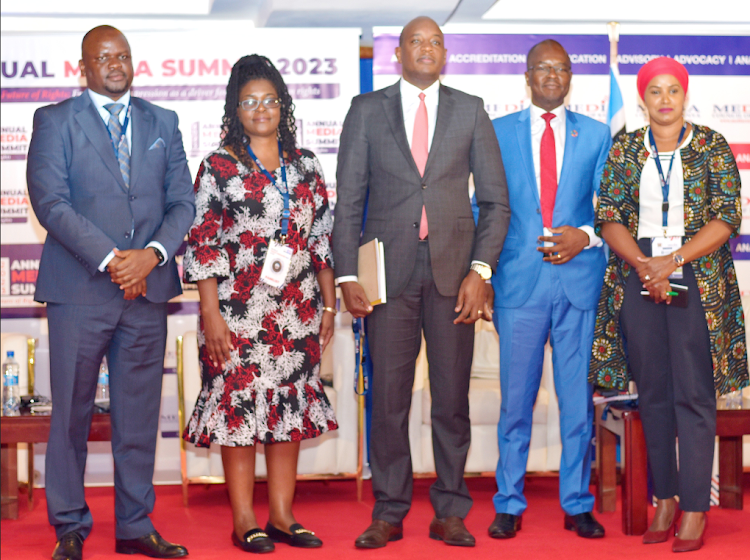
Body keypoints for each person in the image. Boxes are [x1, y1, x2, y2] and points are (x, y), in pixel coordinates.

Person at [333, 16, 510, 549]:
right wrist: (345, 274)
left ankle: (450, 509)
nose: (427, 49)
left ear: (446, 53)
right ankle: (388, 510)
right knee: (387, 399)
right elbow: (348, 201)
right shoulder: (367, 111)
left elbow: (497, 203)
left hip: (455, 279)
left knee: (451, 399)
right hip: (386, 276)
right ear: (398, 53)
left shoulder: (470, 110)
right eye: (417, 41)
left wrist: (481, 272)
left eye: (436, 41)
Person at [26, 26, 195, 560]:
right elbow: (49, 201)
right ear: (83, 66)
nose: (115, 64)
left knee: (139, 415)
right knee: (72, 414)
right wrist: (112, 260)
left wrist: (152, 256)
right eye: (104, 57)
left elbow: (183, 204)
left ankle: (134, 525)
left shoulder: (162, 122)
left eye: (123, 56)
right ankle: (70, 526)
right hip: (80, 289)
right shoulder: (54, 120)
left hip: (147, 289)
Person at [590, 57, 748, 553]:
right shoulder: (624, 149)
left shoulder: (712, 146)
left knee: (695, 396)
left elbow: (727, 216)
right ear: (643, 99)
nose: (663, 100)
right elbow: (608, 215)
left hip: (697, 281)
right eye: (654, 91)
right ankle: (665, 498)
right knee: (653, 394)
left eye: (672, 91)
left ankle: (696, 507)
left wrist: (672, 260)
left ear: (684, 96)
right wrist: (645, 264)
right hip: (639, 280)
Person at [182, 55, 337, 554]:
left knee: (287, 411)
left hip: (297, 311)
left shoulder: (307, 165)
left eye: (269, 99)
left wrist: (329, 308)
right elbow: (203, 245)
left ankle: (284, 517)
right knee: (239, 412)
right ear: (236, 108)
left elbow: (322, 242)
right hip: (236, 313)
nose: (261, 108)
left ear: (283, 105)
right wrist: (211, 317)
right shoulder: (218, 166)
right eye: (249, 101)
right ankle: (244, 518)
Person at [479, 39, 610, 541]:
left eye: (561, 69)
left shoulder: (596, 134)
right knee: (516, 403)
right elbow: (485, 209)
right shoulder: (497, 133)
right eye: (543, 68)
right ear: (528, 76)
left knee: (577, 404)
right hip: (519, 286)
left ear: (570, 77)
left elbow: (612, 208)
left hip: (579, 285)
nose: (552, 76)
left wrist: (589, 236)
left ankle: (577, 503)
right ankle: (508, 502)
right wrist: (483, 273)